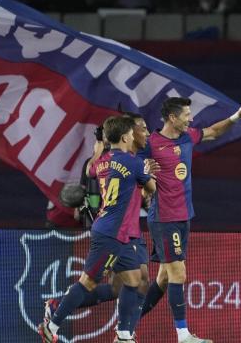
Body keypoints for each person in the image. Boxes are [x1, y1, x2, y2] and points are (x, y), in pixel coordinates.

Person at [139, 97, 241, 343]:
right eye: (186, 115)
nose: (190, 118)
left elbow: (214, 131)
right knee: (178, 274)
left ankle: (127, 325)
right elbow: (130, 166)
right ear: (172, 118)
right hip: (164, 218)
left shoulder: (187, 137)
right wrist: (143, 180)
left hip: (184, 216)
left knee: (163, 278)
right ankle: (183, 335)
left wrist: (236, 117)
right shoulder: (150, 143)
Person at [39, 116, 156, 343]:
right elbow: (151, 188)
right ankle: (51, 324)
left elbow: (92, 170)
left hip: (117, 231)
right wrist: (150, 174)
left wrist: (98, 151)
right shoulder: (134, 163)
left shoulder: (101, 161)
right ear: (125, 137)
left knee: (134, 280)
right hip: (112, 233)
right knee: (88, 282)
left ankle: (124, 336)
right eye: (132, 133)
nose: (135, 135)